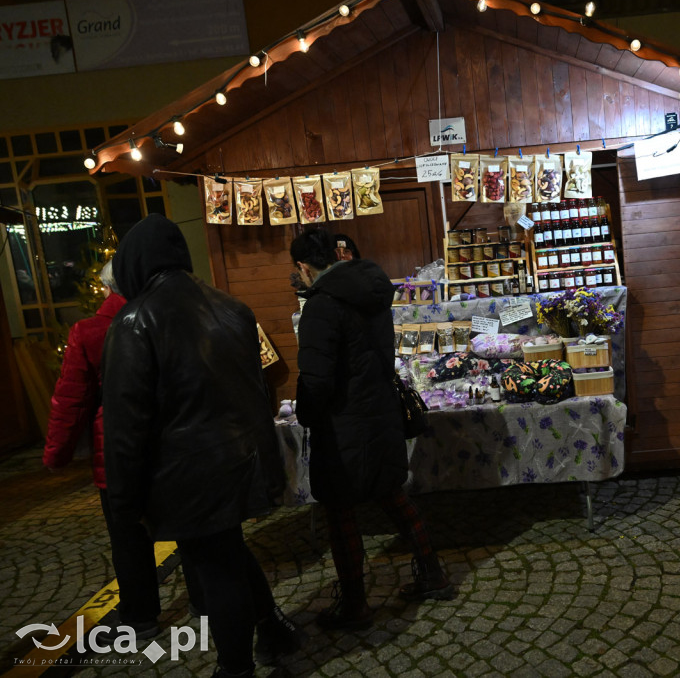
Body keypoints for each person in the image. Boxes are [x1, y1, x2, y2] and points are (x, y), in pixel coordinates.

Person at [102, 213, 302, 678]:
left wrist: (123, 499)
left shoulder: (134, 321)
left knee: (217, 571)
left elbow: (126, 426)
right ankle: (272, 627)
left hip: (187, 473)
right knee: (226, 551)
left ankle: (235, 668)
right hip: (241, 458)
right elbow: (257, 392)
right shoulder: (231, 307)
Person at [290, 228, 453, 631]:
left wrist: (307, 413)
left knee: (341, 511)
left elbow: (316, 379)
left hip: (341, 423)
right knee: (390, 493)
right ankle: (432, 573)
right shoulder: (370, 291)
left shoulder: (322, 306)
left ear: (303, 267)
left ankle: (355, 604)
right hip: (379, 413)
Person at [43, 261, 162, 642]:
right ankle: (206, 601)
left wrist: (55, 455)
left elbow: (71, 400)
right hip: (166, 445)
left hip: (113, 453)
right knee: (183, 523)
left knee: (128, 538)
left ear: (107, 287)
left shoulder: (90, 331)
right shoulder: (159, 317)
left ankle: (140, 617)